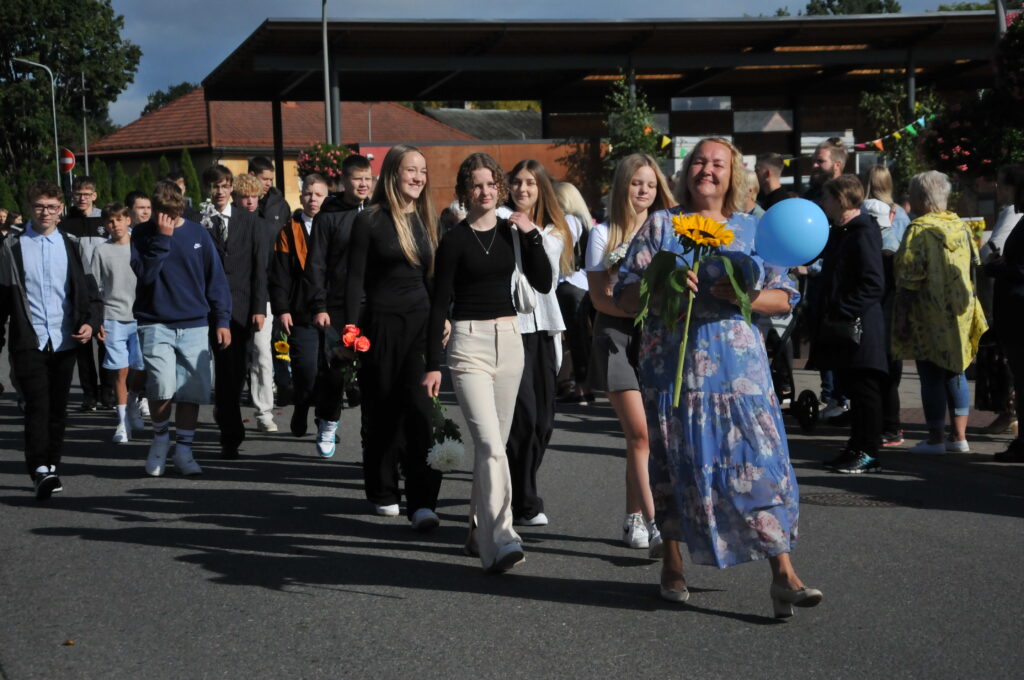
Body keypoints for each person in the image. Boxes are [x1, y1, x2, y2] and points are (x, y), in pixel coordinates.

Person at [615, 138, 821, 616]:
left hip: (740, 374)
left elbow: (785, 296)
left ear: (734, 175)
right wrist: (660, 288)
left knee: (761, 464)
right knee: (675, 463)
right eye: (699, 162)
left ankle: (783, 573)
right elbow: (622, 294)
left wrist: (743, 297)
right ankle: (672, 563)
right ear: (687, 171)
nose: (707, 170)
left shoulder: (753, 229)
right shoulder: (662, 225)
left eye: (718, 164)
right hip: (673, 369)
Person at [423, 152, 552, 571]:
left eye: (491, 184)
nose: (485, 192)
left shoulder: (513, 231)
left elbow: (544, 282)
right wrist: (432, 363)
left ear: (500, 187)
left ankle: (478, 530)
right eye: (476, 185)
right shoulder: (455, 240)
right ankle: (503, 538)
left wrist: (532, 235)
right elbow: (439, 303)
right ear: (465, 190)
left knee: (491, 447)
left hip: (510, 342)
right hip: (468, 345)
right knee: (493, 446)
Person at [344, 144, 443, 526]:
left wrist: (445, 318)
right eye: (410, 170)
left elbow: (436, 280)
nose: (418, 177)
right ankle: (384, 490)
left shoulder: (430, 220)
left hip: (420, 327)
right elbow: (354, 281)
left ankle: (422, 503)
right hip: (381, 328)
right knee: (383, 412)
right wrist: (350, 332)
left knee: (421, 413)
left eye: (422, 170)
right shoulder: (369, 221)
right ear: (393, 173)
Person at [586, 153, 674, 553]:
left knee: (645, 437)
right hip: (616, 337)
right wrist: (640, 308)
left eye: (651, 184)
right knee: (639, 434)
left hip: (657, 338)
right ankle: (657, 525)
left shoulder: (667, 231)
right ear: (623, 185)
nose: (645, 191)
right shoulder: (602, 234)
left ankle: (633, 516)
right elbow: (599, 299)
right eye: (637, 183)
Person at [0, 180, 101, 499]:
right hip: (29, 339)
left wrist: (90, 323)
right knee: (37, 406)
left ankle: (52, 465)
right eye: (40, 206)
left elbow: (90, 292)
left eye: (52, 207)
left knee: (58, 408)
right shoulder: (12, 246)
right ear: (30, 208)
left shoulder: (71, 244)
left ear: (61, 209)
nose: (46, 212)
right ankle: (39, 469)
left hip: (64, 338)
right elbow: (2, 296)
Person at [132, 180, 232, 477]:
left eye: (174, 215)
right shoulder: (142, 234)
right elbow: (145, 275)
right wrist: (162, 239)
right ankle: (161, 439)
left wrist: (222, 320)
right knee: (161, 386)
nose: (168, 220)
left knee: (191, 391)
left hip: (195, 323)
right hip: (155, 321)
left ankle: (184, 451)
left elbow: (216, 279)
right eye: (162, 214)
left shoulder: (198, 233)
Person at [892, 171, 987, 454]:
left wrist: (901, 316)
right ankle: (960, 437)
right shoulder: (960, 225)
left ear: (921, 198)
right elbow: (974, 264)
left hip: (928, 312)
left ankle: (935, 438)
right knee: (956, 370)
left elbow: (910, 277)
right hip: (960, 310)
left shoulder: (918, 229)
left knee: (930, 372)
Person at [503, 159, 571, 527]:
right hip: (511, 327)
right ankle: (526, 501)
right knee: (523, 419)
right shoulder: (500, 221)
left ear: (541, 188)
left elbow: (547, 269)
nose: (523, 189)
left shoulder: (553, 231)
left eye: (530, 182)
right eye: (517, 182)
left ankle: (518, 485)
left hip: (544, 329)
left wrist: (529, 230)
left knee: (544, 422)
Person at [815, 176, 888, 474]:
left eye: (827, 198)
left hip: (861, 328)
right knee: (855, 391)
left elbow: (874, 283)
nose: (823, 204)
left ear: (840, 199)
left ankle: (868, 452)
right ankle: (855, 447)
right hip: (847, 329)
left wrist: (842, 309)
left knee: (866, 392)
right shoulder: (843, 232)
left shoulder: (863, 232)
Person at [199, 165, 269, 459]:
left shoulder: (249, 221)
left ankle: (227, 418)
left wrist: (259, 308)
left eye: (225, 186)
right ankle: (230, 434)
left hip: (241, 308)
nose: (219, 192)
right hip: (207, 307)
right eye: (214, 186)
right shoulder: (198, 222)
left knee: (235, 372)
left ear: (232, 189)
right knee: (222, 372)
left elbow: (259, 268)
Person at [305, 154, 373, 456]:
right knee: (335, 370)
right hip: (335, 305)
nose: (363, 184)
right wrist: (318, 306)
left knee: (373, 374)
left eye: (368, 179)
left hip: (371, 303)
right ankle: (329, 421)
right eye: (357, 179)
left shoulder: (376, 212)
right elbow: (316, 264)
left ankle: (372, 439)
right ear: (344, 181)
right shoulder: (328, 216)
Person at [269, 174, 328, 437]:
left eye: (318, 194)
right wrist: (282, 309)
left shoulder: (333, 226)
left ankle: (325, 421)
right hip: (301, 311)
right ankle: (302, 404)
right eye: (308, 193)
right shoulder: (288, 231)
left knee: (330, 372)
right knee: (306, 369)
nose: (313, 199)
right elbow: (280, 274)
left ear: (326, 198)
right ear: (301, 196)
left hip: (331, 310)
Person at [862, 164, 909, 447]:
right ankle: (889, 424)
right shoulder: (900, 213)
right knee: (891, 361)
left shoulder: (866, 213)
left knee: (878, 362)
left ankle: (887, 424)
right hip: (894, 293)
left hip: (877, 295)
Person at [92, 202, 147, 443]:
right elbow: (94, 287)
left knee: (141, 368)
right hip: (113, 317)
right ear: (105, 224)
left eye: (119, 219)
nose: (115, 225)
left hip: (141, 316)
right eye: (110, 221)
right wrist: (96, 321)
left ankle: (133, 399)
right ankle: (123, 423)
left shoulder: (140, 245)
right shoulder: (101, 251)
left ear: (128, 220)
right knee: (120, 370)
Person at [804, 137, 850, 420]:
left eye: (820, 161)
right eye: (813, 160)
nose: (814, 165)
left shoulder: (847, 197)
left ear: (837, 165)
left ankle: (841, 398)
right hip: (817, 286)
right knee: (821, 339)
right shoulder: (811, 196)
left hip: (835, 282)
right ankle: (830, 395)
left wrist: (816, 267)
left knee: (838, 340)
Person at [977, 165, 1022, 437]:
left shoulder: (1012, 213)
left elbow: (994, 249)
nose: (996, 188)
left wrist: (989, 262)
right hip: (1010, 298)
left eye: (1001, 184)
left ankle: (1009, 412)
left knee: (1007, 362)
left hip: (1010, 300)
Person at [60, 175, 111, 411]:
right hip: (79, 292)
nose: (82, 198)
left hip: (104, 291)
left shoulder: (105, 220)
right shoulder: (65, 223)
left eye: (87, 194)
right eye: (78, 194)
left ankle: (108, 392)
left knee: (105, 343)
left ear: (94, 195)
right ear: (72, 196)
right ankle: (89, 395)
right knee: (82, 347)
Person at [553, 181, 593, 405]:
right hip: (582, 284)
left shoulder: (569, 220)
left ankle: (581, 388)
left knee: (576, 340)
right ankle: (579, 385)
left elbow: (560, 251)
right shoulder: (583, 220)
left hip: (570, 283)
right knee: (579, 339)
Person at [250, 156, 292, 231]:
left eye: (271, 180)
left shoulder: (281, 205)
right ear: (252, 176)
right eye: (265, 179)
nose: (269, 184)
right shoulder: (240, 204)